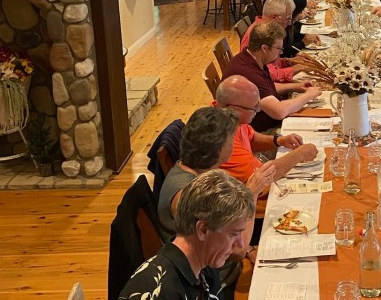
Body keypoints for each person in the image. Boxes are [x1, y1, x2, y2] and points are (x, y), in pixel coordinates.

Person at [119, 170, 255, 300]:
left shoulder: (206, 263)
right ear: (203, 229)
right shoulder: (156, 291)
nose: (240, 244)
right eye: (233, 234)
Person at [157, 107, 272, 238]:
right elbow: (237, 248)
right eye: (232, 140)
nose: (234, 145)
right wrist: (252, 192)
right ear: (219, 149)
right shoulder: (191, 193)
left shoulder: (199, 171)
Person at [215, 75, 318, 184]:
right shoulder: (222, 138)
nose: (258, 110)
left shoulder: (228, 116)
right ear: (233, 109)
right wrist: (299, 154)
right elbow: (259, 178)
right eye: (254, 107)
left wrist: (278, 141)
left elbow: (251, 137)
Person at [223, 22, 322, 132]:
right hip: (261, 132)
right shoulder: (249, 74)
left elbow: (266, 88)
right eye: (279, 48)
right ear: (265, 48)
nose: (280, 53)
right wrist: (308, 96)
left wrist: (296, 86)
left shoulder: (251, 59)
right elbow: (279, 112)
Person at [240, 0, 315, 81]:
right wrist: (296, 68)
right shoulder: (259, 35)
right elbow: (269, 75)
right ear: (274, 17)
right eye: (288, 19)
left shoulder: (267, 30)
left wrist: (289, 61)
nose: (290, 23)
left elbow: (272, 63)